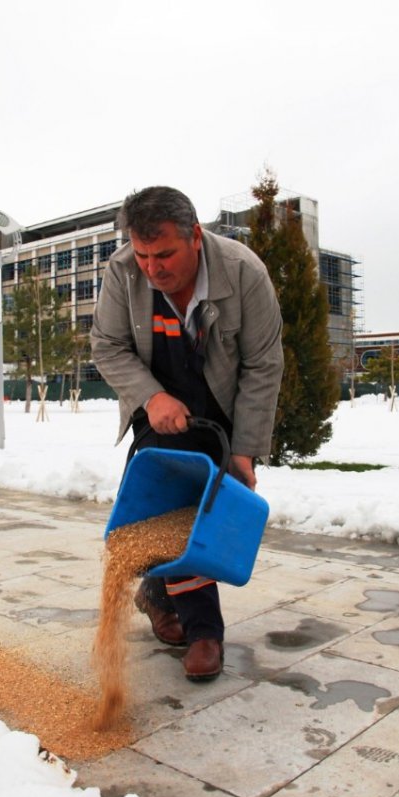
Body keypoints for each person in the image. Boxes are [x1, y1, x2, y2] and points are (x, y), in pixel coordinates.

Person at [91, 186, 283, 681]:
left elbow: (263, 366)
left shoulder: (244, 273)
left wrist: (244, 452)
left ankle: (156, 592)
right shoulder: (122, 272)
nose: (152, 267)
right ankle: (204, 634)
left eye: (165, 254)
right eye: (143, 254)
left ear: (195, 237)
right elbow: (108, 347)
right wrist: (151, 397)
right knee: (171, 497)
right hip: (156, 398)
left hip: (218, 401)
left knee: (207, 501)